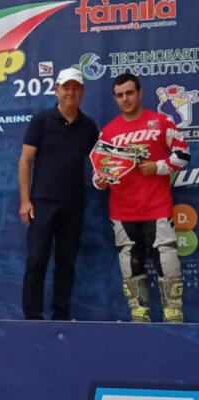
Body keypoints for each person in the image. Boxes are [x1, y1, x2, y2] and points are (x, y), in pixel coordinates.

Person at [93, 73, 190, 323]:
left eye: (129, 93)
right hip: (122, 211)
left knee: (166, 257)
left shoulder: (162, 122)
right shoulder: (108, 132)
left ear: (140, 93)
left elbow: (183, 154)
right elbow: (98, 171)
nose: (125, 99)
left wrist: (158, 167)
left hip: (157, 207)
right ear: (115, 98)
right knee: (130, 261)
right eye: (120, 95)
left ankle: (174, 315)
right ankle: (139, 316)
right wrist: (99, 181)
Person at [18, 67, 99, 320]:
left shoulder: (89, 127)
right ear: (56, 90)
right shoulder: (41, 120)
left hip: (74, 204)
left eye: (76, 88)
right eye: (66, 87)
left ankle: (61, 316)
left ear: (82, 92)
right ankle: (32, 318)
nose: (70, 92)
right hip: (41, 203)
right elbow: (25, 162)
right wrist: (25, 201)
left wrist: (105, 177)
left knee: (67, 262)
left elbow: (99, 164)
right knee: (36, 260)